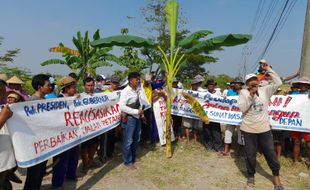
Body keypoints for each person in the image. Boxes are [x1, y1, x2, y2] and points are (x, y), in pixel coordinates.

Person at [238, 62, 283, 189]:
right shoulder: (243, 93)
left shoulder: (265, 90)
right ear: (247, 84)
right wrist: (251, 95)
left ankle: (276, 177)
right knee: (250, 154)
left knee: (270, 153)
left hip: (264, 128)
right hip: (248, 129)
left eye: (255, 80)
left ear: (258, 81)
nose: (253, 82)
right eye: (250, 81)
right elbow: (243, 109)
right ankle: (251, 175)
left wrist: (268, 69)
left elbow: (279, 83)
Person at [52, 76, 81, 189]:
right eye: (73, 87)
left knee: (74, 155)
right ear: (66, 88)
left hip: (73, 132)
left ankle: (70, 175)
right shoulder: (58, 99)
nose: (75, 89)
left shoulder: (75, 98)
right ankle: (57, 183)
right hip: (62, 134)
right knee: (61, 159)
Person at [23, 74, 52, 190]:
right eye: (48, 85)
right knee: (34, 173)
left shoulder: (44, 100)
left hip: (43, 142)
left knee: (40, 171)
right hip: (35, 143)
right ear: (40, 87)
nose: (50, 87)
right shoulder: (31, 101)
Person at [119, 72, 144, 170]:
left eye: (139, 79)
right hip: (129, 118)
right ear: (130, 80)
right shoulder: (125, 91)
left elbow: (140, 102)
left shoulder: (138, 90)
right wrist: (136, 111)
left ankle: (133, 156)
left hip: (137, 117)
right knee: (128, 140)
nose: (138, 81)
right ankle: (128, 161)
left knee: (136, 138)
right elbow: (122, 106)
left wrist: (141, 113)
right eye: (136, 79)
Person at [289, 77, 310, 170]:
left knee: (308, 143)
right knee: (296, 142)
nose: (304, 86)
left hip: (307, 122)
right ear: (299, 85)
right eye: (302, 84)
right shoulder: (294, 94)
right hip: (297, 122)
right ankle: (295, 161)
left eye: (306, 85)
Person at [80, 77, 100, 173]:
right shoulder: (79, 97)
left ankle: (90, 161)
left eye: (92, 85)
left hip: (95, 125)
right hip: (84, 126)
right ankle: (84, 165)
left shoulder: (98, 96)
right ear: (84, 86)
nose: (90, 87)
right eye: (88, 85)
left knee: (94, 144)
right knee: (84, 147)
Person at [98, 75, 120, 162]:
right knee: (105, 138)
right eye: (114, 83)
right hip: (106, 119)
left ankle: (110, 153)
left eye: (116, 83)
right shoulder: (105, 92)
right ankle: (103, 155)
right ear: (110, 83)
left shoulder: (119, 92)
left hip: (115, 119)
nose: (115, 85)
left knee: (112, 137)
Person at [221, 80, 244, 156]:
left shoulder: (244, 93)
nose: (237, 85)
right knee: (228, 133)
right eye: (236, 84)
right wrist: (224, 99)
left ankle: (238, 152)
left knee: (240, 134)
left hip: (240, 118)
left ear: (241, 85)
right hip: (231, 117)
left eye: (238, 84)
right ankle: (226, 150)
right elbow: (227, 102)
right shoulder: (230, 92)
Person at [0, 76, 15, 190]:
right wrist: (3, 118)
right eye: (3, 92)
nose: (5, 96)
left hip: (4, 163)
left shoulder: (3, 107)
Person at [203, 79, 223, 152]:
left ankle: (218, 147)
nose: (211, 86)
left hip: (216, 116)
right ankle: (209, 145)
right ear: (207, 86)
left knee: (216, 132)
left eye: (212, 85)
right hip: (206, 116)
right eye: (210, 85)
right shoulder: (203, 93)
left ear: (214, 86)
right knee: (207, 131)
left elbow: (223, 103)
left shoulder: (218, 94)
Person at [182, 78, 202, 144]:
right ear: (191, 85)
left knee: (195, 126)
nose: (195, 86)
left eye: (196, 85)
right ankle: (188, 139)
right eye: (194, 84)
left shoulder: (200, 93)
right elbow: (182, 100)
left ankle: (195, 139)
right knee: (187, 126)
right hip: (188, 112)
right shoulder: (187, 92)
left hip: (196, 112)